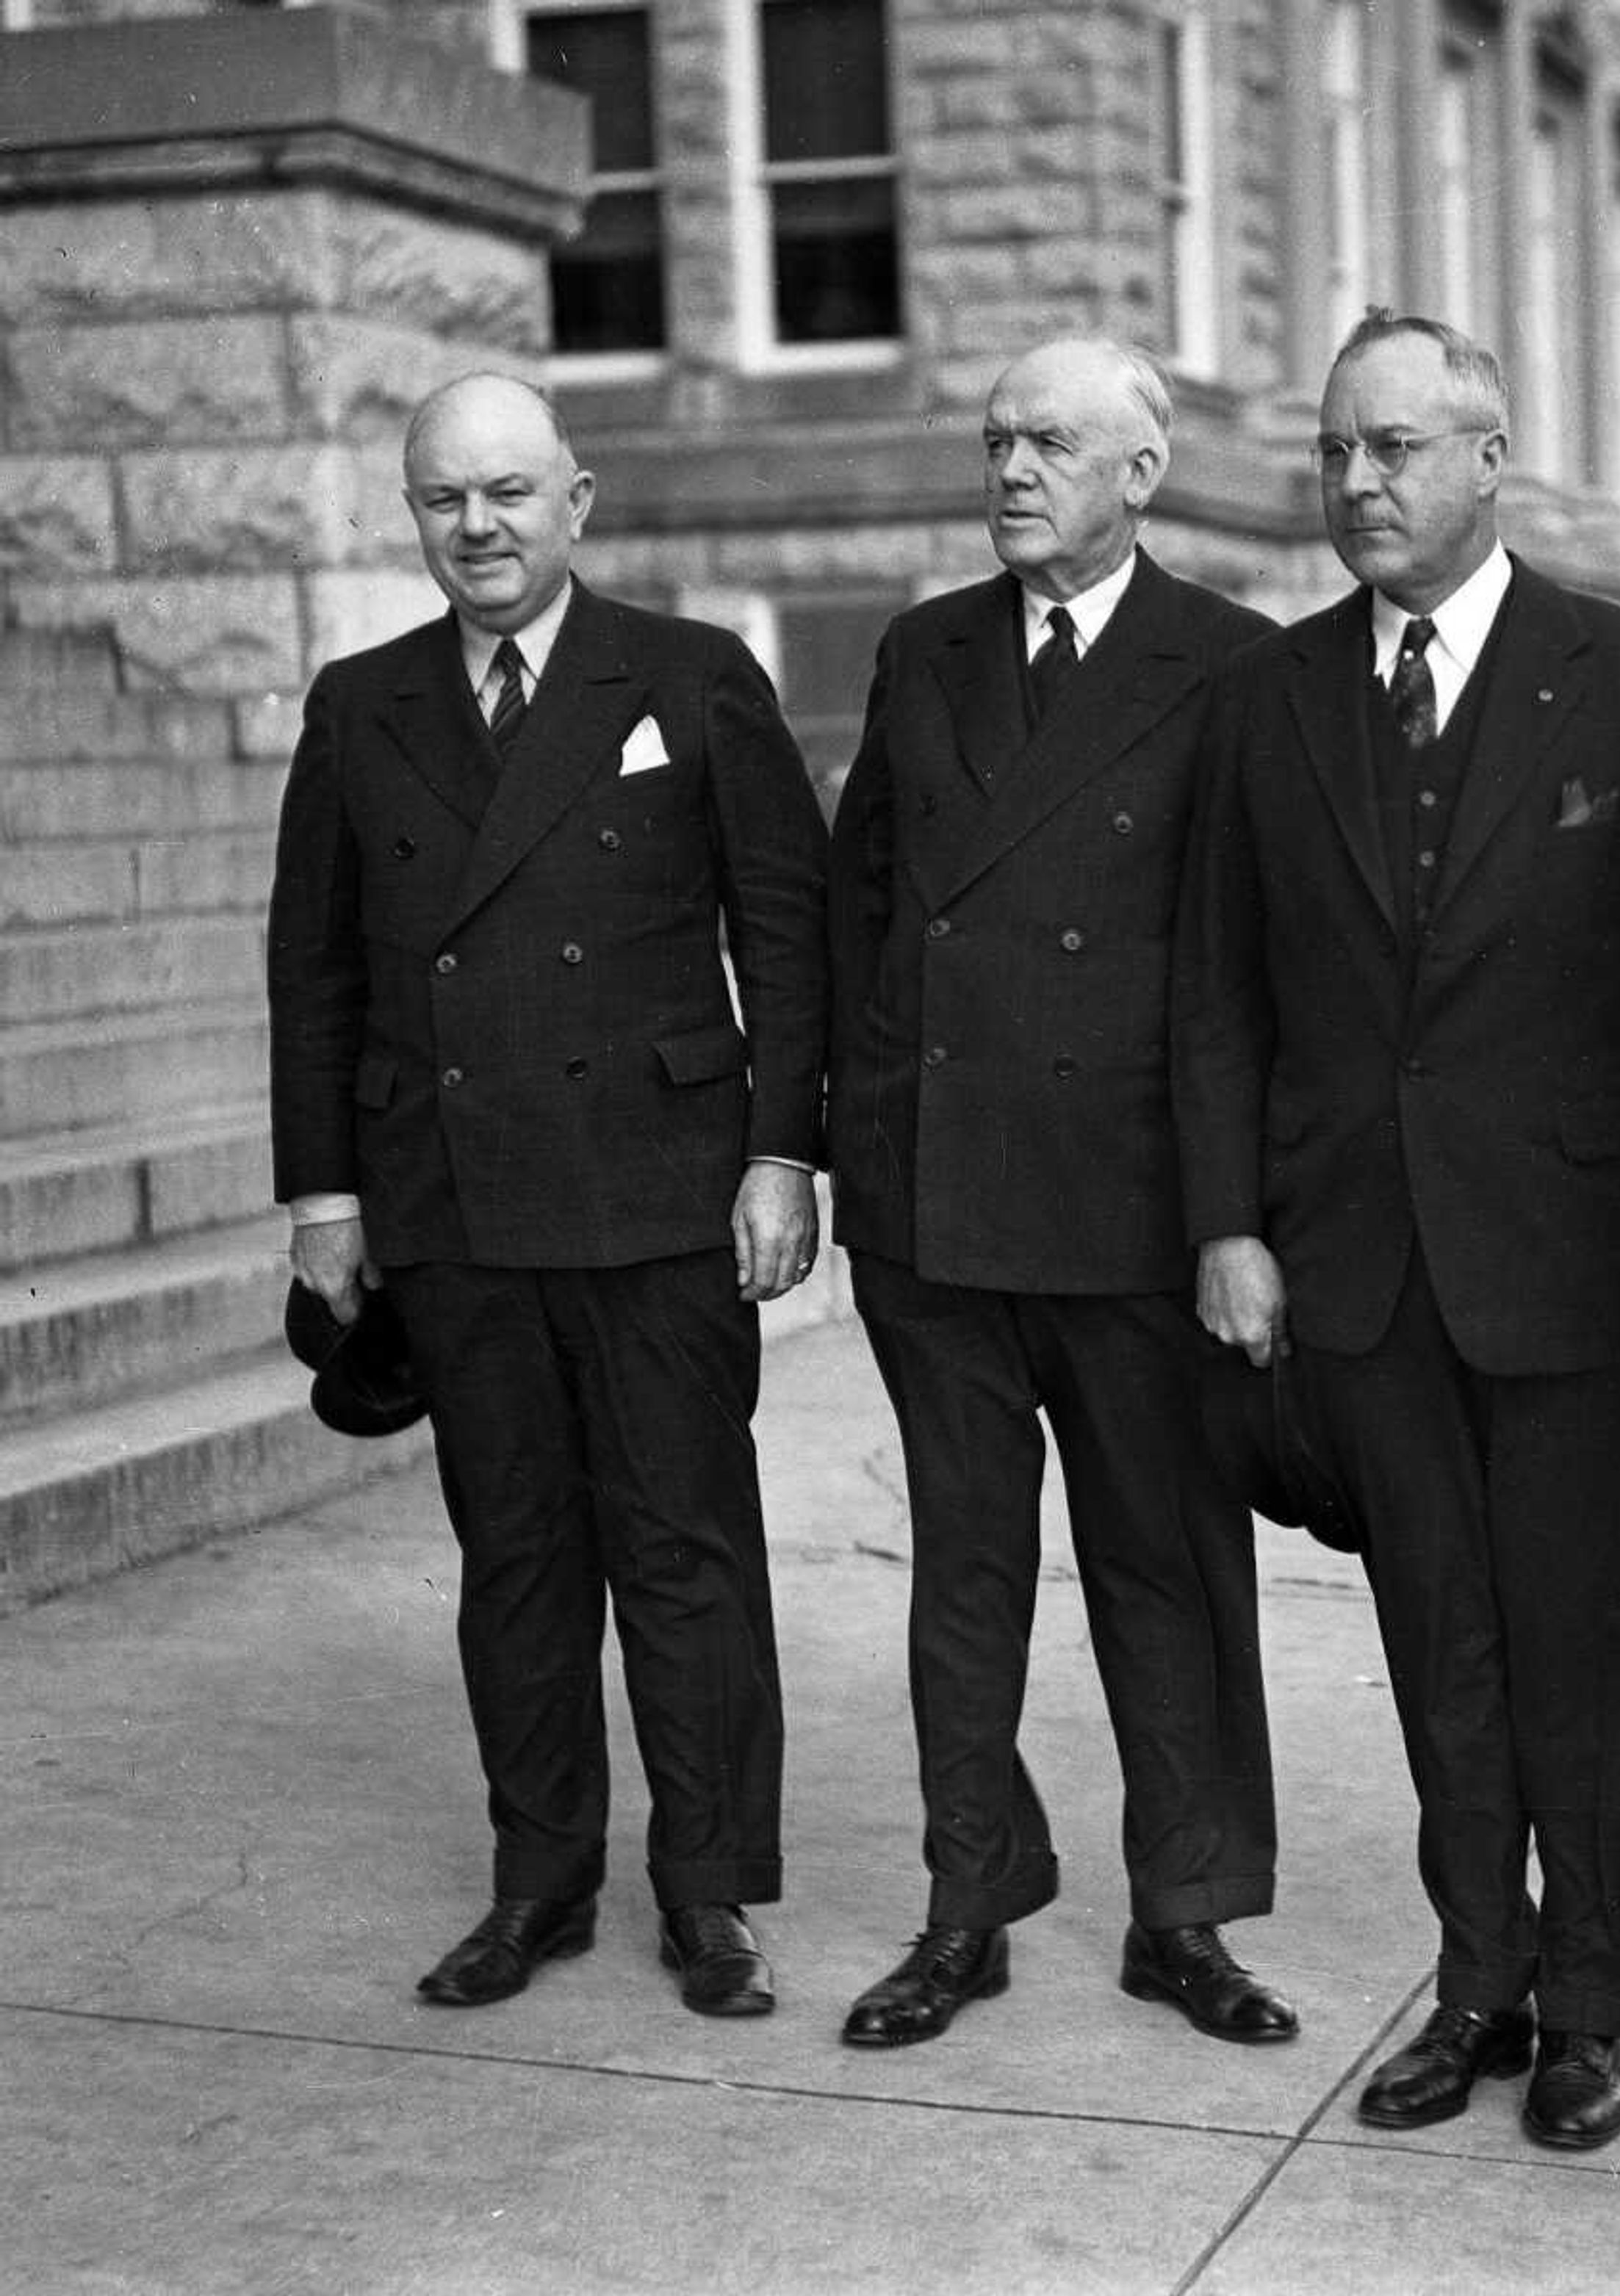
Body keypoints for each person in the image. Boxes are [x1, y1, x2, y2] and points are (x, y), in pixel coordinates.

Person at [1174, 309, 1620, 2151]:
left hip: (1583, 1275)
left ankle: (1595, 2010)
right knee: (1445, 1648)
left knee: (1599, 1653)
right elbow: (1222, 992)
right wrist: (1232, 1225)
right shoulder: (1271, 696)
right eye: (1337, 452)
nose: (1359, 484)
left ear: (1492, 458)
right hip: (1364, 1266)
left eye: (1396, 448)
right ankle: (1480, 1980)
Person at [266, 372, 829, 2019]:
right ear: (413, 516)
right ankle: (540, 1881)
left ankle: (711, 1891)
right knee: (513, 1555)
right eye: (447, 499)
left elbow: (786, 931)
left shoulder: (695, 676)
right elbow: (313, 971)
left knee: (684, 1551)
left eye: (511, 493)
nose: (480, 526)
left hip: (659, 1195)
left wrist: (782, 1155)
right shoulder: (360, 704)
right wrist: (325, 1192)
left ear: (577, 503)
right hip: (451, 1198)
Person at [824, 337, 1293, 2051]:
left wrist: (1238, 1214)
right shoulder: (923, 648)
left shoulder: (1233, 667)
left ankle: (1186, 1918)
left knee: (1166, 1566)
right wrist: (822, 1138)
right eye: (999, 441)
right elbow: (858, 896)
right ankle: (969, 1904)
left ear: (1142, 474)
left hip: (1132, 1209)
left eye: (1052, 445)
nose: (1013, 471)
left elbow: (1249, 967)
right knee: (964, 1570)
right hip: (935, 1199)